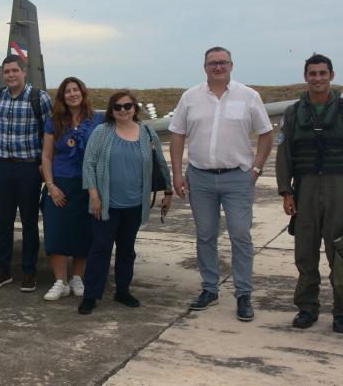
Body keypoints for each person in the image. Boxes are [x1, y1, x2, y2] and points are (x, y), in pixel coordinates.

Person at [169, 47, 273, 322]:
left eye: (222, 62)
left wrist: (256, 168)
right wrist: (177, 173)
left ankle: (243, 294)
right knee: (205, 235)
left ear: (231, 65)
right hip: (200, 177)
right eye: (212, 63)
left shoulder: (249, 96)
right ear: (204, 67)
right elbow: (177, 134)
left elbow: (266, 134)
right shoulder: (190, 97)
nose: (218, 67)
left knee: (240, 235)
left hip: (237, 177)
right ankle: (209, 288)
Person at [276, 54, 343, 334]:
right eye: (312, 73)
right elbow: (285, 154)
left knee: (340, 253)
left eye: (322, 73)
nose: (317, 78)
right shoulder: (294, 113)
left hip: (340, 189)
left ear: (331, 75)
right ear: (305, 77)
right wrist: (286, 191)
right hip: (305, 189)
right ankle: (307, 307)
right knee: (305, 252)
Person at [78, 91, 172, 314]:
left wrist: (168, 191)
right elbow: (88, 164)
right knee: (100, 248)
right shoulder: (102, 132)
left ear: (134, 109)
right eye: (118, 107)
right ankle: (91, 295)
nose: (123, 110)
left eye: (127, 106)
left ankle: (122, 290)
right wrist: (94, 196)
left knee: (127, 250)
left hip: (135, 204)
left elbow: (160, 161)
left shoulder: (147, 132)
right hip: (106, 204)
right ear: (111, 111)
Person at [0, 55, 52, 292]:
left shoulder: (39, 97)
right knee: (3, 222)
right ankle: (2, 270)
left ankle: (28, 271)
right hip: (3, 166)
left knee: (29, 223)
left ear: (24, 72)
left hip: (28, 167)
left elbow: (49, 133)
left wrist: (45, 165)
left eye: (14, 71)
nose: (11, 75)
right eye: (6, 72)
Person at [40, 77, 104, 301]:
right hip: (60, 183)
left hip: (88, 185)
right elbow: (47, 156)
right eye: (67, 91)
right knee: (56, 232)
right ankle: (60, 282)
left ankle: (78, 277)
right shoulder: (54, 121)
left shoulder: (98, 120)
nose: (72, 94)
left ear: (83, 93)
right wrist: (51, 186)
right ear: (62, 96)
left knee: (83, 232)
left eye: (76, 90)